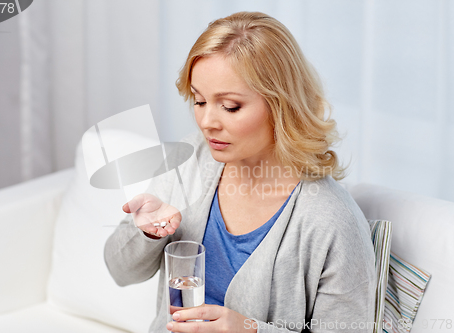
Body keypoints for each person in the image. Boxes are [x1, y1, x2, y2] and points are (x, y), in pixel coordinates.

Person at [104, 11, 376, 333]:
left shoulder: (330, 220)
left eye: (230, 106)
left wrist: (250, 329)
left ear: (281, 105)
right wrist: (146, 233)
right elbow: (120, 271)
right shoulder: (188, 162)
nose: (207, 122)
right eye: (199, 100)